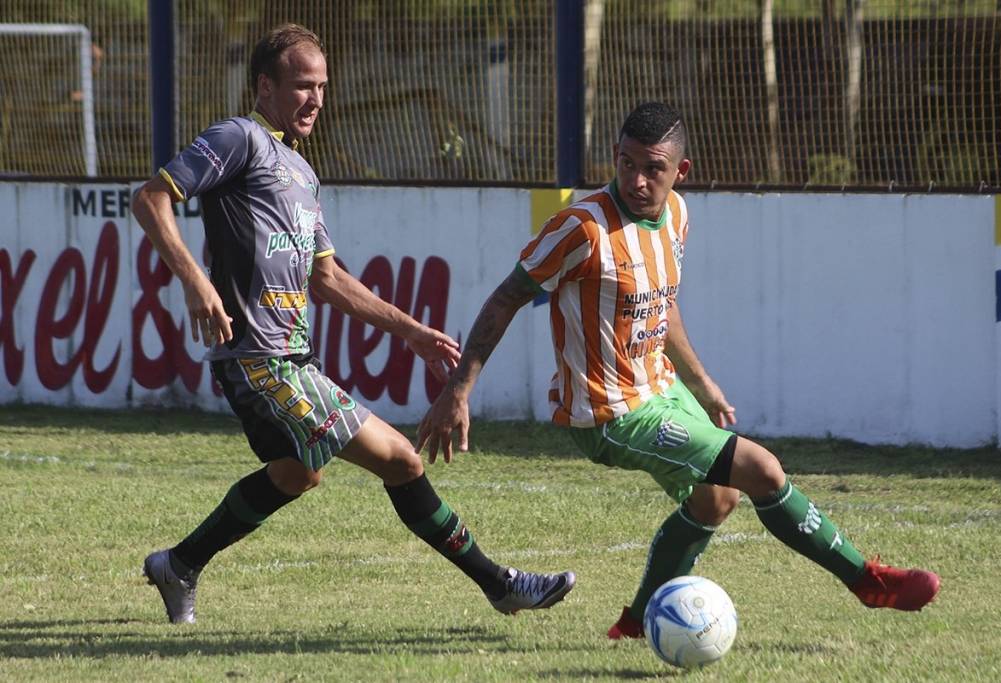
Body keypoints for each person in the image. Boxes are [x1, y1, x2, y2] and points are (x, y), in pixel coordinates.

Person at [417, 101, 940, 640]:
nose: (637, 181)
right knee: (763, 469)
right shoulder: (581, 228)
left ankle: (637, 622)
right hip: (610, 413)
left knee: (717, 498)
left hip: (662, 390)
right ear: (615, 157)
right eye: (627, 164)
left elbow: (661, 306)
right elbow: (505, 298)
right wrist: (459, 390)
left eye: (653, 169)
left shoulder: (678, 216)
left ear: (680, 171)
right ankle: (866, 580)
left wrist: (700, 382)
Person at [131, 23, 574, 624]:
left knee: (296, 474)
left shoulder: (303, 173)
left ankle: (179, 564)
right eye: (301, 86)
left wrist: (411, 331)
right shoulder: (239, 138)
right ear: (264, 87)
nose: (315, 99)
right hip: (261, 359)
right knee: (402, 460)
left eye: (322, 86)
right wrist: (195, 279)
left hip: (290, 360)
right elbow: (151, 198)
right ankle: (500, 584)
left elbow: (328, 279)